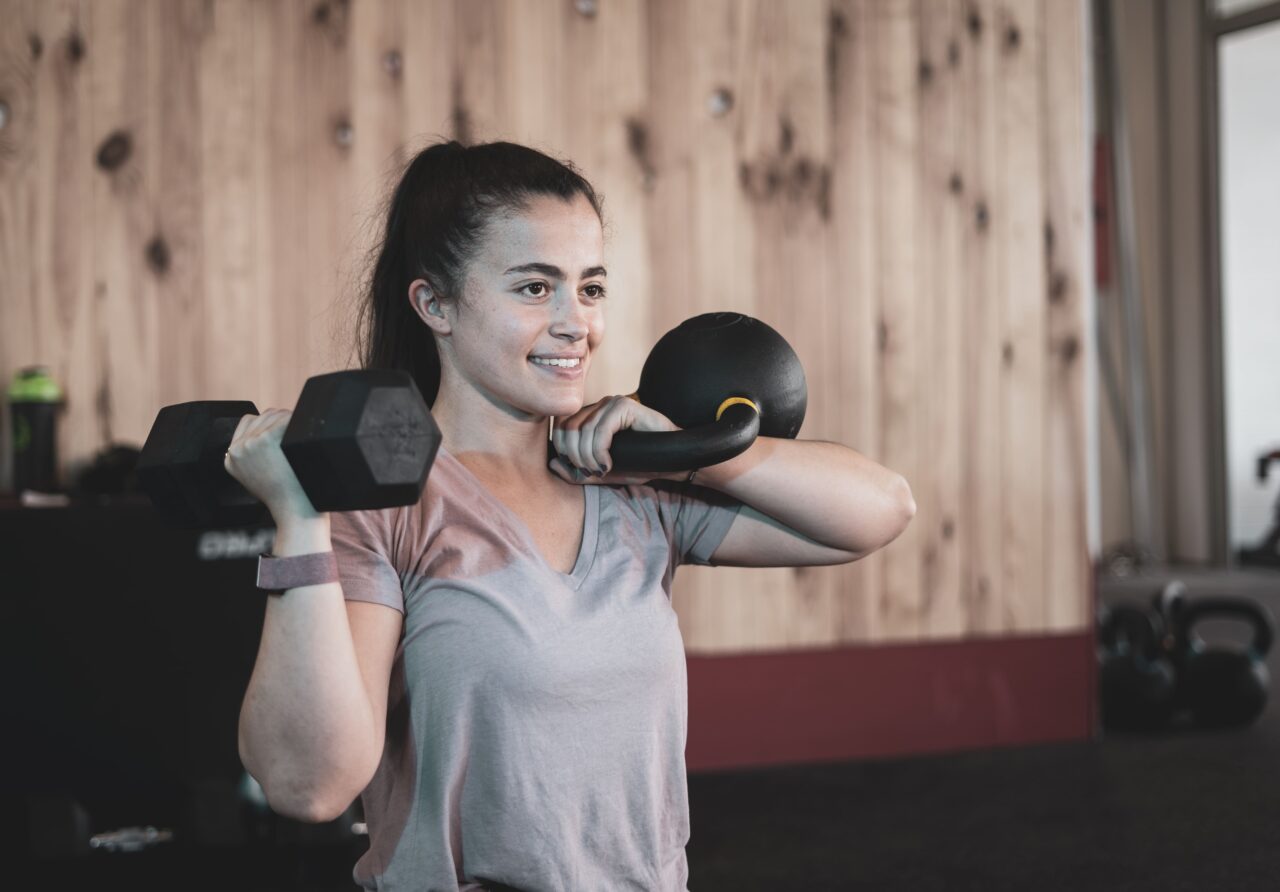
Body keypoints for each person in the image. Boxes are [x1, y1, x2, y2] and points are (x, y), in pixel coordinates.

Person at [231, 139, 917, 892]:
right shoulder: (384, 507)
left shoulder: (628, 481)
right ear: (435, 304)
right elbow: (311, 786)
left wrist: (696, 452)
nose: (575, 324)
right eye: (534, 289)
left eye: (590, 289)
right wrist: (300, 520)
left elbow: (882, 509)